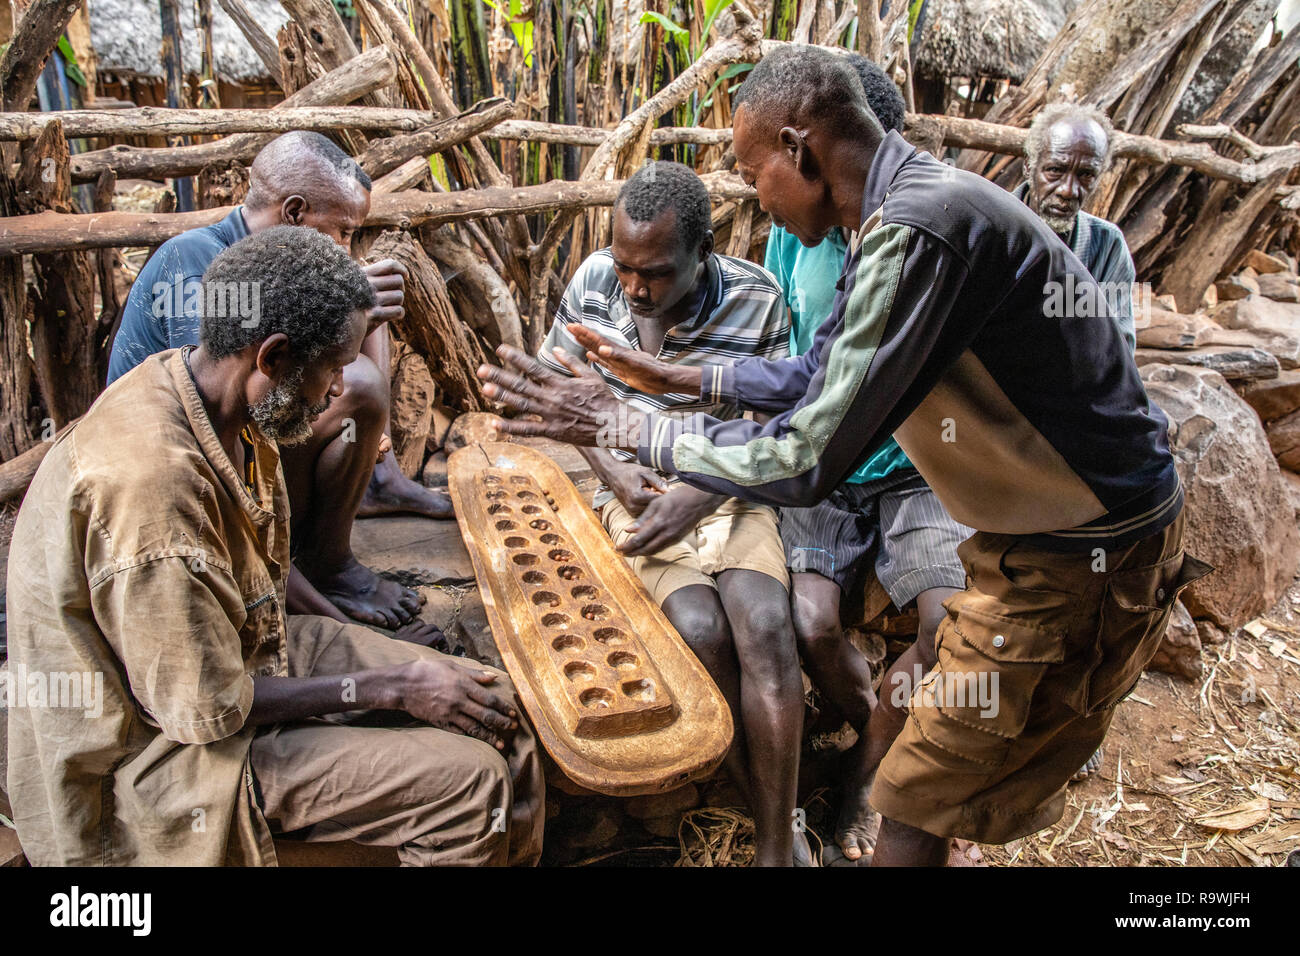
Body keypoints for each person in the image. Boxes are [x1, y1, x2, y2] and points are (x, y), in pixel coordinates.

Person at [477, 46, 1209, 867]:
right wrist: (668, 375)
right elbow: (814, 372)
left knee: (916, 799)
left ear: (800, 147)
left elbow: (808, 456)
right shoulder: (898, 214)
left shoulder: (919, 230)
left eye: (755, 174)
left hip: (1085, 554)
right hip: (1036, 544)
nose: (756, 198)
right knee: (919, 776)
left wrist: (624, 422)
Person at [7, 227, 544, 866]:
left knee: (498, 710)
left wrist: (368, 653)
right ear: (273, 356)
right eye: (336, 368)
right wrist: (388, 687)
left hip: (244, 650)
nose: (343, 387)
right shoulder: (154, 494)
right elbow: (206, 707)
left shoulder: (221, 400)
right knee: (469, 784)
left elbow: (263, 568)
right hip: (154, 751)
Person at [536, 161, 806, 866]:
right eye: (625, 265)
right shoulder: (596, 280)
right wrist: (617, 475)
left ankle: (780, 846)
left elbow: (772, 431)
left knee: (768, 624)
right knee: (697, 627)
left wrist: (703, 489)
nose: (634, 287)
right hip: (638, 495)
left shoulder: (758, 299)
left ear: (703, 253)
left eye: (654, 271)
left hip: (728, 491)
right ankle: (758, 801)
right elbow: (562, 395)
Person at [108, 131, 451, 631]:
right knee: (355, 383)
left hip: (231, 442)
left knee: (356, 338)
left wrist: (356, 307)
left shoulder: (285, 262)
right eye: (342, 231)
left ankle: (376, 481)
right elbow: (215, 429)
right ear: (293, 213)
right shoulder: (195, 265)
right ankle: (316, 573)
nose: (347, 246)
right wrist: (345, 637)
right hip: (173, 478)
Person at [764, 54, 971, 863]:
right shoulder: (801, 237)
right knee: (812, 622)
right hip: (830, 466)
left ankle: (869, 783)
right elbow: (799, 361)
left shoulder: (921, 236)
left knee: (947, 627)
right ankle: (871, 747)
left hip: (920, 465)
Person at [1016, 102, 1137, 352]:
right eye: (1055, 170)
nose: (1068, 190)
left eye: (1085, 175)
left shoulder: (1107, 247)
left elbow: (1117, 354)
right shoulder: (987, 230)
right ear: (1029, 166)